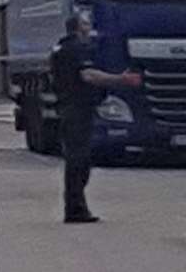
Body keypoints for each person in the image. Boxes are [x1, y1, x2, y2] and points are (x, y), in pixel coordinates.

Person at [50, 13, 140, 224]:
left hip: (68, 107)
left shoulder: (60, 48)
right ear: (78, 28)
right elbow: (88, 75)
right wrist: (121, 79)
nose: (89, 28)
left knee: (76, 159)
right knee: (79, 160)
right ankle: (75, 208)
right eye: (86, 24)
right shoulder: (77, 49)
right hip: (77, 109)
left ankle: (76, 206)